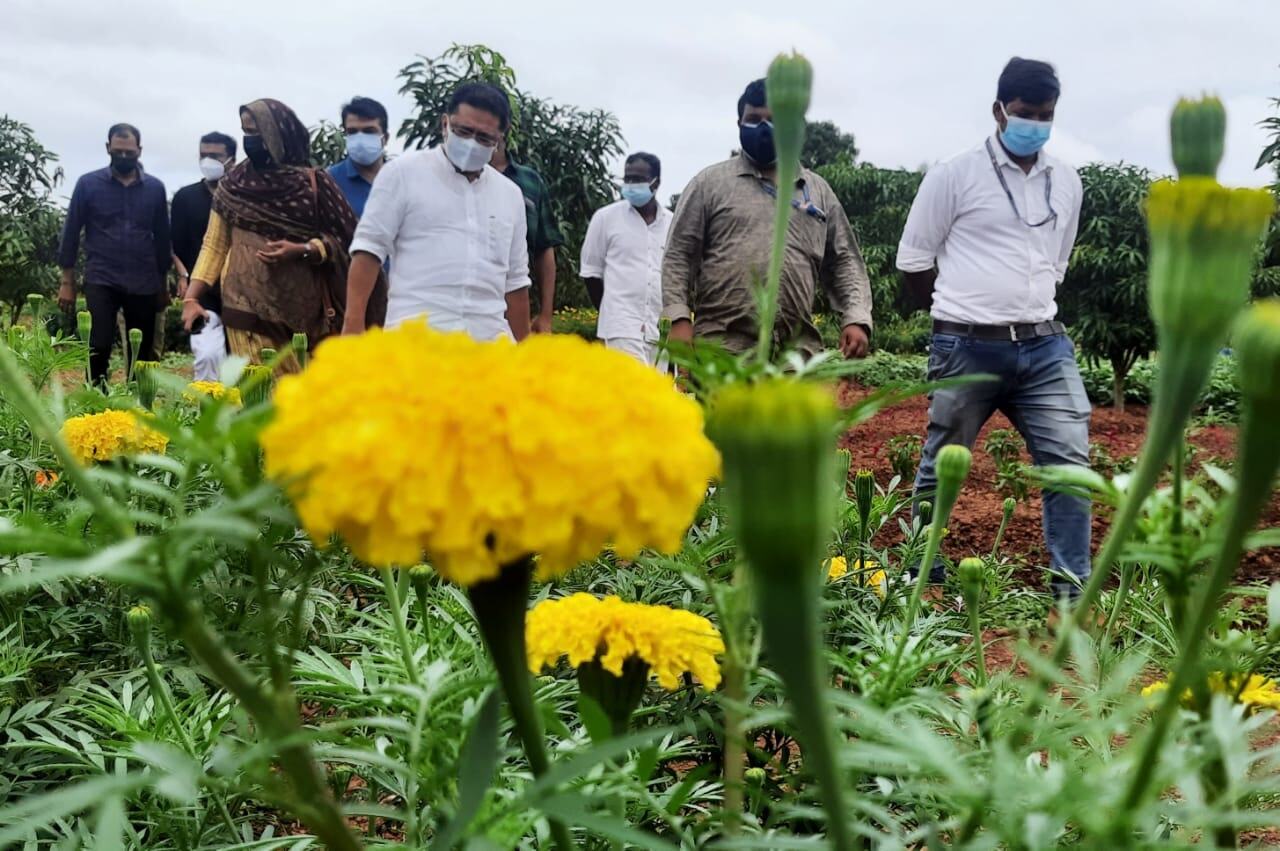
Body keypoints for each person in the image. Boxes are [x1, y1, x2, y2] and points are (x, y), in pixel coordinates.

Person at [896, 57, 1088, 597]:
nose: (1035, 124)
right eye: (1025, 113)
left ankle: (1071, 593)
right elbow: (914, 262)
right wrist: (952, 318)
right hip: (967, 346)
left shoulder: (1066, 181)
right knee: (943, 463)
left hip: (1044, 346)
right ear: (999, 110)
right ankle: (924, 579)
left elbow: (1057, 263)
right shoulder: (954, 175)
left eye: (1045, 115)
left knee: (1070, 464)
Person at [661, 78, 872, 360]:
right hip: (723, 351)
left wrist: (856, 317)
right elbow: (679, 255)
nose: (763, 127)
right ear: (739, 123)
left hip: (796, 356)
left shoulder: (818, 192)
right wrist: (678, 318)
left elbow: (845, 260)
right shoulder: (708, 184)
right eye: (753, 119)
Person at [181, 99, 383, 372]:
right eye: (246, 132)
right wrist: (191, 298)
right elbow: (214, 246)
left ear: (281, 135)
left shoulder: (314, 183)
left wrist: (304, 250)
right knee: (261, 390)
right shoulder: (233, 185)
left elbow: (347, 240)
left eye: (257, 133)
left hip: (306, 312)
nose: (251, 140)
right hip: (244, 308)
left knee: (305, 391)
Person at [343, 81, 531, 342]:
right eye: (463, 131)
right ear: (445, 124)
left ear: (499, 140)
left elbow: (516, 282)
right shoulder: (402, 174)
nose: (471, 143)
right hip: (415, 342)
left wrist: (527, 354)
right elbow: (369, 250)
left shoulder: (510, 195)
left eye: (484, 138)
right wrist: (352, 327)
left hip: (489, 345)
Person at [58, 124, 171, 386]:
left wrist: (163, 287)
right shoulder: (88, 184)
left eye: (129, 152)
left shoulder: (155, 188)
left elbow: (163, 239)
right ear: (108, 148)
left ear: (139, 151)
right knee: (97, 346)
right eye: (118, 151)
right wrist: (67, 282)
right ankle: (96, 398)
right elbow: (71, 233)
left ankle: (138, 401)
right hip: (102, 278)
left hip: (144, 281)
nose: (123, 157)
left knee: (141, 352)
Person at [580, 152, 672, 367]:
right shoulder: (605, 218)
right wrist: (611, 311)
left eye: (638, 179)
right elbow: (591, 273)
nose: (631, 185)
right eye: (628, 178)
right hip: (621, 326)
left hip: (659, 329)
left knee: (656, 386)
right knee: (633, 383)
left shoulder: (672, 223)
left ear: (656, 182)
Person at [171, 131, 236, 381]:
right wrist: (184, 278)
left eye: (215, 156)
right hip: (203, 294)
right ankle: (207, 402)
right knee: (207, 355)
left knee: (240, 361)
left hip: (240, 292)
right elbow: (175, 244)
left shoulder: (245, 197)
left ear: (231, 159)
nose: (208, 160)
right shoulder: (185, 198)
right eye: (203, 155)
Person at [490, 135, 564, 333]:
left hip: (517, 305)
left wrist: (546, 315)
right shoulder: (453, 178)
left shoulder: (529, 182)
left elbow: (544, 248)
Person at [328, 96, 389, 218]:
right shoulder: (329, 181)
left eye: (369, 131)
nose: (360, 139)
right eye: (352, 132)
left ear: (385, 138)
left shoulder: (401, 178)